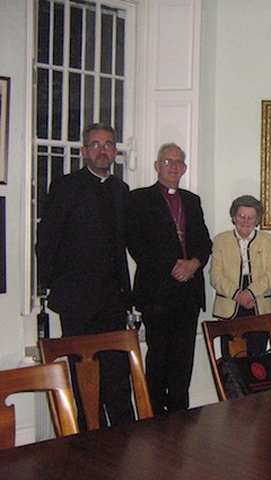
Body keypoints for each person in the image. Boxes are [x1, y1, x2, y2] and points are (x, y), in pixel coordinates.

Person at [36, 122, 134, 428]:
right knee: (83, 376)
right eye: (96, 144)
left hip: (113, 301)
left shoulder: (121, 190)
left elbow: (123, 247)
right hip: (77, 301)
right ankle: (87, 440)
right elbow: (48, 238)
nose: (102, 150)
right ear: (84, 151)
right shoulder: (66, 186)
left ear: (115, 151)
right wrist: (47, 285)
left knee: (117, 375)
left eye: (108, 145)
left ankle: (122, 439)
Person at [127, 143, 212, 414]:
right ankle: (153, 415)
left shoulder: (192, 200)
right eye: (167, 161)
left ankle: (180, 415)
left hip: (188, 293)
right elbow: (136, 244)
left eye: (178, 162)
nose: (173, 166)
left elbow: (204, 242)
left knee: (183, 358)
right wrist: (174, 266)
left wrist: (195, 263)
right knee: (159, 356)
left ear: (184, 168)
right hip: (158, 293)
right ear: (157, 165)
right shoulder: (139, 199)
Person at [210, 195, 271, 356]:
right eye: (241, 216)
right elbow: (216, 275)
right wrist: (237, 294)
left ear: (257, 220)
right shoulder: (221, 240)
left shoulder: (268, 240)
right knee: (231, 360)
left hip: (259, 304)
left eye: (251, 217)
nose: (246, 221)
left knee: (258, 360)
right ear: (234, 217)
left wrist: (250, 293)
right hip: (230, 304)